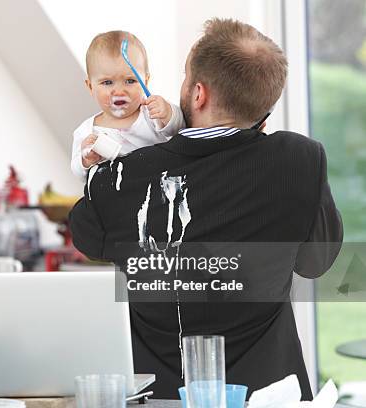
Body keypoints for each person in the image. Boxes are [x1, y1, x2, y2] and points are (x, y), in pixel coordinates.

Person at [69, 18, 343, 399]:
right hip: (267, 395)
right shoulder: (300, 159)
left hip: (161, 396)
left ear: (198, 94)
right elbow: (316, 262)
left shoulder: (122, 175)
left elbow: (87, 236)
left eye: (184, 78)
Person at [71, 31, 185, 179]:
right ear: (91, 87)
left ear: (145, 81)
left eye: (130, 81)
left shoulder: (151, 114)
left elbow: (180, 128)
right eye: (107, 82)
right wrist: (85, 160)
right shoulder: (87, 131)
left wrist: (168, 113)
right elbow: (79, 174)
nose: (119, 91)